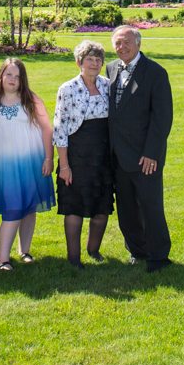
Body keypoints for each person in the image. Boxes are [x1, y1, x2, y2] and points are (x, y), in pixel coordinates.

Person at [106, 26, 174, 271]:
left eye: (126, 42)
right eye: (117, 43)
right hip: (118, 155)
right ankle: (137, 250)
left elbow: (162, 117)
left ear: (138, 43)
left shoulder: (155, 73)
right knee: (126, 208)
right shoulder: (111, 68)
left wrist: (152, 152)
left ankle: (158, 256)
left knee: (151, 206)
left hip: (146, 156)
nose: (121, 47)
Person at [53, 40, 115, 269]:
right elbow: (60, 128)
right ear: (79, 61)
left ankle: (94, 250)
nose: (94, 63)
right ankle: (74, 257)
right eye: (89, 59)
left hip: (102, 156)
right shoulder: (67, 89)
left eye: (98, 59)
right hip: (77, 155)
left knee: (102, 206)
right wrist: (65, 165)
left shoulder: (108, 85)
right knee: (74, 206)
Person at [0, 58, 54, 270]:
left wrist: (48, 157)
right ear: (1, 76)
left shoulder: (31, 99)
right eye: (9, 74)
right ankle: (2, 259)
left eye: (17, 76)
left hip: (31, 159)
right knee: (13, 208)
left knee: (29, 206)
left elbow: (46, 129)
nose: (12, 79)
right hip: (5, 165)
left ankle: (24, 250)